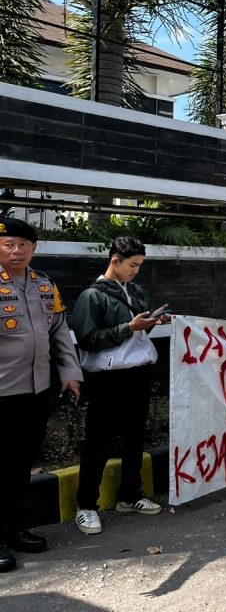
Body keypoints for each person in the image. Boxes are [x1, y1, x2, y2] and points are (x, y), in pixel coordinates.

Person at [70, 236, 170, 535]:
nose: (136, 271)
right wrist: (128, 327)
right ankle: (86, 506)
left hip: (138, 372)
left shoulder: (136, 292)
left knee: (134, 438)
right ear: (115, 260)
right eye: (132, 265)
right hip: (107, 378)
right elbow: (88, 339)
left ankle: (131, 494)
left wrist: (151, 323)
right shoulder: (93, 296)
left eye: (139, 265)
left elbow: (136, 334)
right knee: (98, 442)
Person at [0, 217, 82, 571]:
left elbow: (61, 333)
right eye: (9, 244)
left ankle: (13, 530)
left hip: (35, 393)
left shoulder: (45, 286)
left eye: (24, 245)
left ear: (34, 249)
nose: (17, 251)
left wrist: (71, 374)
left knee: (19, 467)